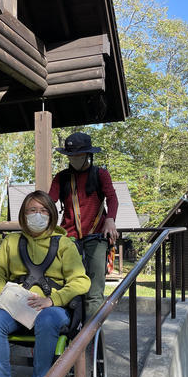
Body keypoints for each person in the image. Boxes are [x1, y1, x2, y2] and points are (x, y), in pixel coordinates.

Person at [0, 190, 90, 377]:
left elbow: (81, 281)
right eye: (32, 210)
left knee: (48, 318)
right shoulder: (11, 242)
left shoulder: (64, 245)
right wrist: (0, 292)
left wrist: (53, 300)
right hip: (17, 311)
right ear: (24, 214)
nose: (37, 215)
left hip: (52, 310)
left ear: (51, 215)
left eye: (43, 210)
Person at [48, 132, 118, 321]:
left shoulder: (100, 174)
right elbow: (49, 201)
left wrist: (110, 219)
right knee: (65, 286)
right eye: (71, 157)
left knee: (94, 293)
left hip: (96, 236)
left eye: (78, 156)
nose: (74, 160)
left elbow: (112, 198)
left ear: (88, 154)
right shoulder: (61, 178)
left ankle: (90, 339)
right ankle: (66, 330)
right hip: (68, 238)